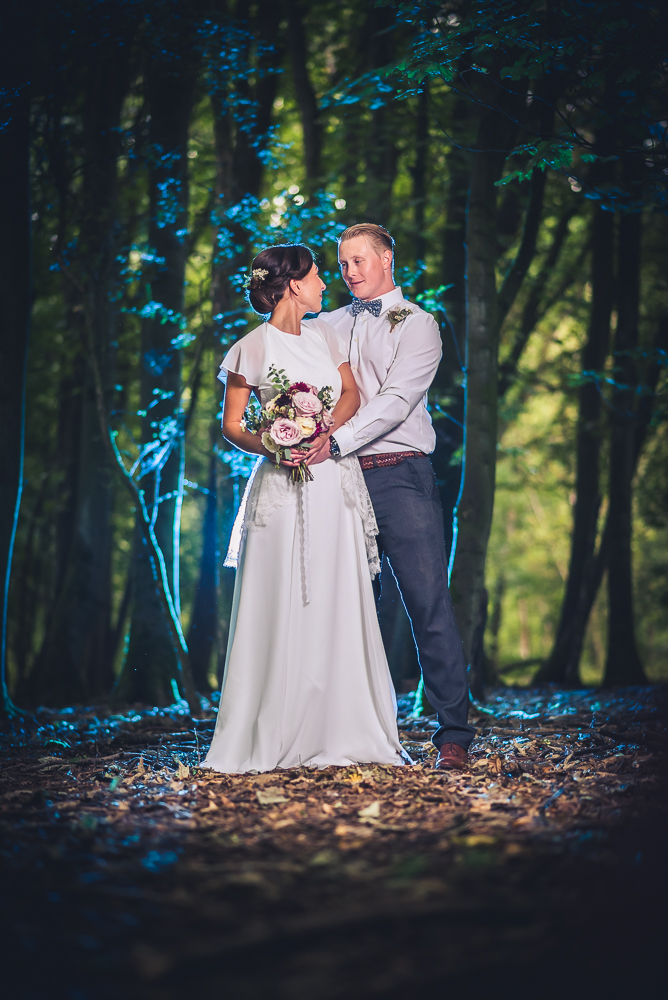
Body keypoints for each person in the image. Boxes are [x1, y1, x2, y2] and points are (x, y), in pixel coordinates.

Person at [203, 243, 406, 774]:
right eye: (318, 276)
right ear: (294, 284)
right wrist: (274, 444)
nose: (324, 284)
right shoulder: (249, 347)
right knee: (280, 592)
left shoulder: (325, 334)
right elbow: (232, 426)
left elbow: (350, 394)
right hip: (281, 483)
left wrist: (324, 434)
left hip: (332, 479)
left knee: (337, 589)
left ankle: (341, 722)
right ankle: (271, 724)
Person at [310, 223, 475, 770]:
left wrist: (336, 440)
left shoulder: (419, 324)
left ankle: (453, 732)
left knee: (427, 604)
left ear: (386, 259)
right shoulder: (328, 323)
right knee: (346, 608)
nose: (350, 272)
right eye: (342, 264)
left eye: (359, 261)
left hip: (402, 475)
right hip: (338, 480)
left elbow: (397, 401)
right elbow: (289, 360)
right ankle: (348, 732)